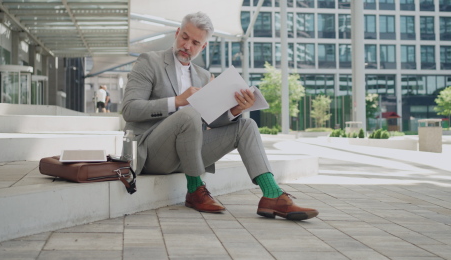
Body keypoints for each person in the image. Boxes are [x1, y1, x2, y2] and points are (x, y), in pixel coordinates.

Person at [121, 12, 318, 220]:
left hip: (188, 152)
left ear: (203, 46)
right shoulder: (149, 62)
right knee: (188, 114)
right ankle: (195, 189)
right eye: (185, 37)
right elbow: (130, 109)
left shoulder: (204, 76)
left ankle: (272, 195)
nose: (187, 46)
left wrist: (236, 110)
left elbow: (208, 121)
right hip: (152, 152)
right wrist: (178, 101)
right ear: (177, 33)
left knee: (246, 125)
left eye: (195, 42)